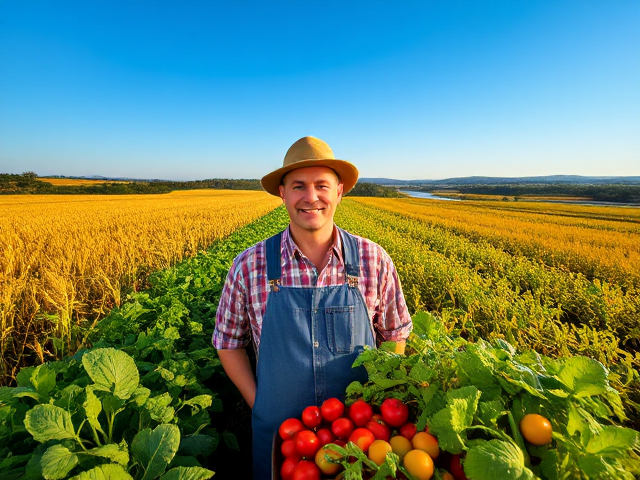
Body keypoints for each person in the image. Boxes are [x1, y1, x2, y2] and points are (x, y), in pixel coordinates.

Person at [212, 136, 412, 480]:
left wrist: (380, 396)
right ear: (282, 193)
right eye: (298, 186)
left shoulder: (373, 260)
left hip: (360, 438)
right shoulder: (249, 265)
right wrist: (258, 403)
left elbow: (395, 335)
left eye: (322, 185)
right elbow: (228, 342)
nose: (311, 197)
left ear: (340, 191)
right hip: (282, 439)